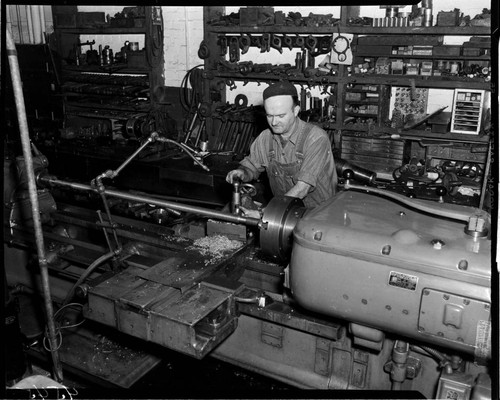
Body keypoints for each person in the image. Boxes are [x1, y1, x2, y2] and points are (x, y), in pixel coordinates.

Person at [226, 80, 337, 217]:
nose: (274, 122)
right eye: (269, 116)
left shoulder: (316, 138)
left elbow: (302, 189)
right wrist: (242, 172)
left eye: (280, 116)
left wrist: (265, 213)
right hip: (284, 214)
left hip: (319, 216)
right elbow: (251, 167)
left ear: (295, 111)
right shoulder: (266, 138)